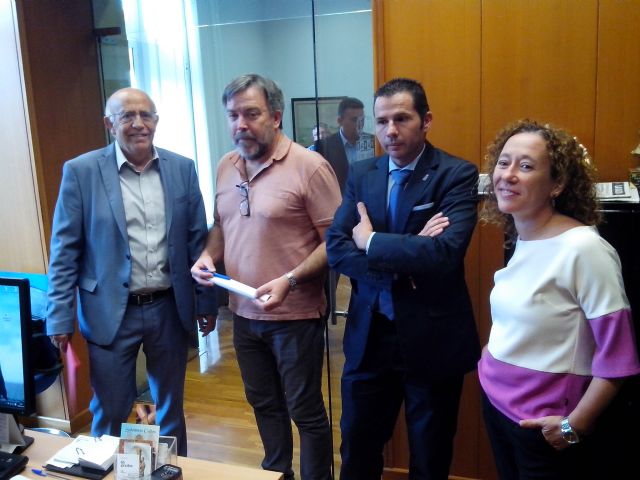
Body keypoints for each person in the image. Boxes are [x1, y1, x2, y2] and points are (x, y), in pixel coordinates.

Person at [45, 87, 216, 456]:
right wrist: (58, 316)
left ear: (156, 121)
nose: (139, 123)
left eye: (146, 115)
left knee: (170, 408)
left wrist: (206, 302)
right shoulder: (81, 172)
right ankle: (104, 471)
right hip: (109, 312)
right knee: (110, 409)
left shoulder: (182, 168)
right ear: (110, 124)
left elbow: (197, 242)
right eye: (127, 116)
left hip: (168, 307)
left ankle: (171, 471)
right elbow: (64, 252)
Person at [325, 77, 481, 479]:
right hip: (369, 337)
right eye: (382, 121)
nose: (390, 131)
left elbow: (444, 253)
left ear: (425, 120)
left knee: (429, 457)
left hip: (431, 338)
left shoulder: (456, 174)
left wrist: (371, 241)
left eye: (401, 119)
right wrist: (404, 258)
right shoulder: (363, 173)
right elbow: (337, 247)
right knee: (357, 450)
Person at [191, 74, 341, 480]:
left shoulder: (310, 167)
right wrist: (207, 255)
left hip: (295, 316)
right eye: (233, 115)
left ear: (275, 117)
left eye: (251, 114)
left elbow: (336, 242)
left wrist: (290, 280)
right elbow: (221, 225)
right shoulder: (225, 166)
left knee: (305, 411)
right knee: (263, 403)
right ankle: (276, 473)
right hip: (243, 315)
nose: (241, 124)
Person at [478, 119, 640, 479]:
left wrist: (574, 426)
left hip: (543, 425)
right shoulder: (524, 235)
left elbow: (619, 357)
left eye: (526, 166)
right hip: (497, 404)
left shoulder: (585, 249)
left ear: (557, 184)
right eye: (503, 163)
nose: (508, 175)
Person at [315, 96, 375, 192]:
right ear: (340, 121)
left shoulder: (373, 142)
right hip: (339, 198)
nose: (360, 124)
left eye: (362, 120)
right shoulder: (324, 146)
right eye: (354, 120)